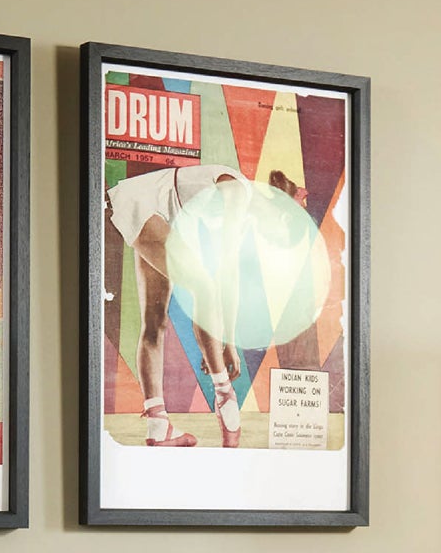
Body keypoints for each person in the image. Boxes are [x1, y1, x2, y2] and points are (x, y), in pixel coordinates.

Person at [106, 164, 308, 448]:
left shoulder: (241, 211)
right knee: (202, 286)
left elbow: (230, 278)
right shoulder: (239, 192)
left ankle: (158, 424)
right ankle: (225, 395)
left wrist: (226, 344)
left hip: (152, 209)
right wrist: (224, 346)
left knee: (155, 321)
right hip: (145, 204)